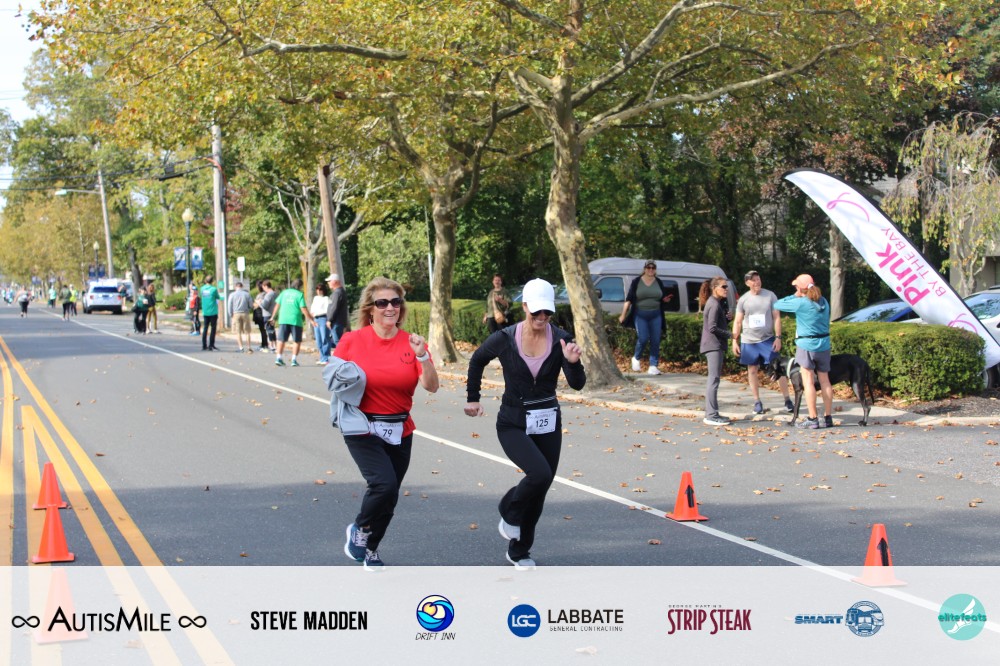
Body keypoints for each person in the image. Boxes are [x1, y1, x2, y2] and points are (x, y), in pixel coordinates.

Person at [465, 278, 586, 570]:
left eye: (547, 312)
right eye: (536, 312)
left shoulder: (561, 338)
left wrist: (572, 362)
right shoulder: (505, 337)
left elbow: (578, 384)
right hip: (513, 421)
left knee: (540, 487)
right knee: (539, 474)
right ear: (524, 307)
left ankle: (520, 550)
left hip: (547, 420)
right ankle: (509, 509)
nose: (542, 318)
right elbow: (477, 360)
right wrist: (473, 398)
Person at [336, 277, 439, 571]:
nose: (390, 307)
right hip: (362, 427)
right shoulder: (352, 341)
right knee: (383, 483)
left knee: (390, 495)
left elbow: (431, 386)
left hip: (400, 428)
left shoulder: (412, 343)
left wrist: (422, 356)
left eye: (395, 302)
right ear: (370, 308)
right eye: (382, 302)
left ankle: (370, 547)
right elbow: (332, 378)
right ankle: (359, 528)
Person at [774, 274, 833, 429]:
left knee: (808, 382)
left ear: (800, 288)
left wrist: (795, 295)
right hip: (824, 344)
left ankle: (813, 418)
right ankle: (828, 417)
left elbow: (778, 304)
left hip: (806, 344)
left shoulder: (800, 303)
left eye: (796, 286)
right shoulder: (824, 301)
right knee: (825, 380)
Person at [732, 270, 793, 415]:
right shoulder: (743, 300)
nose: (757, 282)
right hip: (749, 341)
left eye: (758, 279)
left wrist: (778, 337)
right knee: (752, 370)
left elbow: (776, 317)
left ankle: (787, 400)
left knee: (778, 369)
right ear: (747, 283)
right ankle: (757, 402)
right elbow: (738, 321)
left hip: (767, 339)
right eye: (753, 280)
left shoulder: (770, 295)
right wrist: (734, 341)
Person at [619, 260, 673, 375]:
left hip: (656, 314)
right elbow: (629, 299)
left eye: (653, 268)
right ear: (644, 269)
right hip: (640, 314)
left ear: (655, 270)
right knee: (643, 338)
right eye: (648, 267)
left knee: (655, 340)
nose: (651, 270)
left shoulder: (658, 281)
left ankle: (653, 366)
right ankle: (636, 358)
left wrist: (665, 300)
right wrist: (623, 314)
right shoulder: (636, 281)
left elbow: (662, 297)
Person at [700, 276, 732, 426]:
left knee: (714, 379)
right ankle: (711, 415)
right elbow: (712, 327)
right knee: (713, 380)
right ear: (715, 288)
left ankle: (713, 413)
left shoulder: (716, 303)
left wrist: (727, 319)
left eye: (727, 287)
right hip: (713, 345)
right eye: (723, 287)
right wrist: (730, 335)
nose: (726, 289)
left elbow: (716, 323)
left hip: (714, 345)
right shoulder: (713, 304)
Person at [271, 279, 316, 366]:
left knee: (281, 339)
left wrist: (272, 317)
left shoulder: (284, 292)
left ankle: (278, 358)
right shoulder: (299, 294)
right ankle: (294, 360)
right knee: (296, 340)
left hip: (283, 319)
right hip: (295, 320)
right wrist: (311, 319)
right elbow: (303, 309)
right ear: (300, 287)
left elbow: (277, 305)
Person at [227, 281, 255, 352]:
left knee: (238, 331)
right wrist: (248, 308)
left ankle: (241, 347)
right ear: (242, 287)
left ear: (235, 287)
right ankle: (249, 347)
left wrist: (231, 314)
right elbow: (251, 305)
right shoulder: (247, 294)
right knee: (247, 331)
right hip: (245, 313)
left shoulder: (232, 295)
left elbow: (229, 305)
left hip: (236, 313)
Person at [325, 274, 349, 348]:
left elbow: (334, 307)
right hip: (339, 321)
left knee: (337, 342)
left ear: (335, 281)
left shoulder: (337, 293)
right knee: (337, 341)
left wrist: (329, 320)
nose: (328, 283)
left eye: (330, 281)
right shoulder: (340, 291)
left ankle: (342, 355)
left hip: (336, 322)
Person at [310, 282, 332, 365]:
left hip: (323, 318)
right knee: (318, 339)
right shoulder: (315, 298)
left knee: (324, 338)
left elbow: (327, 310)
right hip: (316, 319)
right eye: (317, 289)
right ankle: (322, 357)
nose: (318, 291)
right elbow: (312, 309)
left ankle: (326, 357)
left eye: (320, 289)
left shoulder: (326, 299)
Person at [200, 275, 222, 351]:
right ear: (212, 281)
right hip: (213, 311)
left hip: (205, 311)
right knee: (213, 328)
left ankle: (204, 345)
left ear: (205, 281)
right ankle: (211, 345)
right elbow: (218, 297)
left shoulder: (202, 289)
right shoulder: (213, 289)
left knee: (205, 328)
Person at [258, 280, 278, 352]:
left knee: (269, 330)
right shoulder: (275, 293)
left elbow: (265, 306)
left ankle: (272, 345)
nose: (263, 289)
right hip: (273, 313)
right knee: (272, 330)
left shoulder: (268, 294)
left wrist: (259, 302)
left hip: (267, 314)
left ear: (266, 286)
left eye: (263, 287)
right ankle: (275, 345)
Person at [252, 280, 269, 352]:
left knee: (263, 329)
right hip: (258, 312)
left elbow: (258, 304)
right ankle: (263, 344)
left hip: (261, 313)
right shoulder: (260, 294)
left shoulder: (263, 294)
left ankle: (265, 344)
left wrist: (255, 303)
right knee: (261, 329)